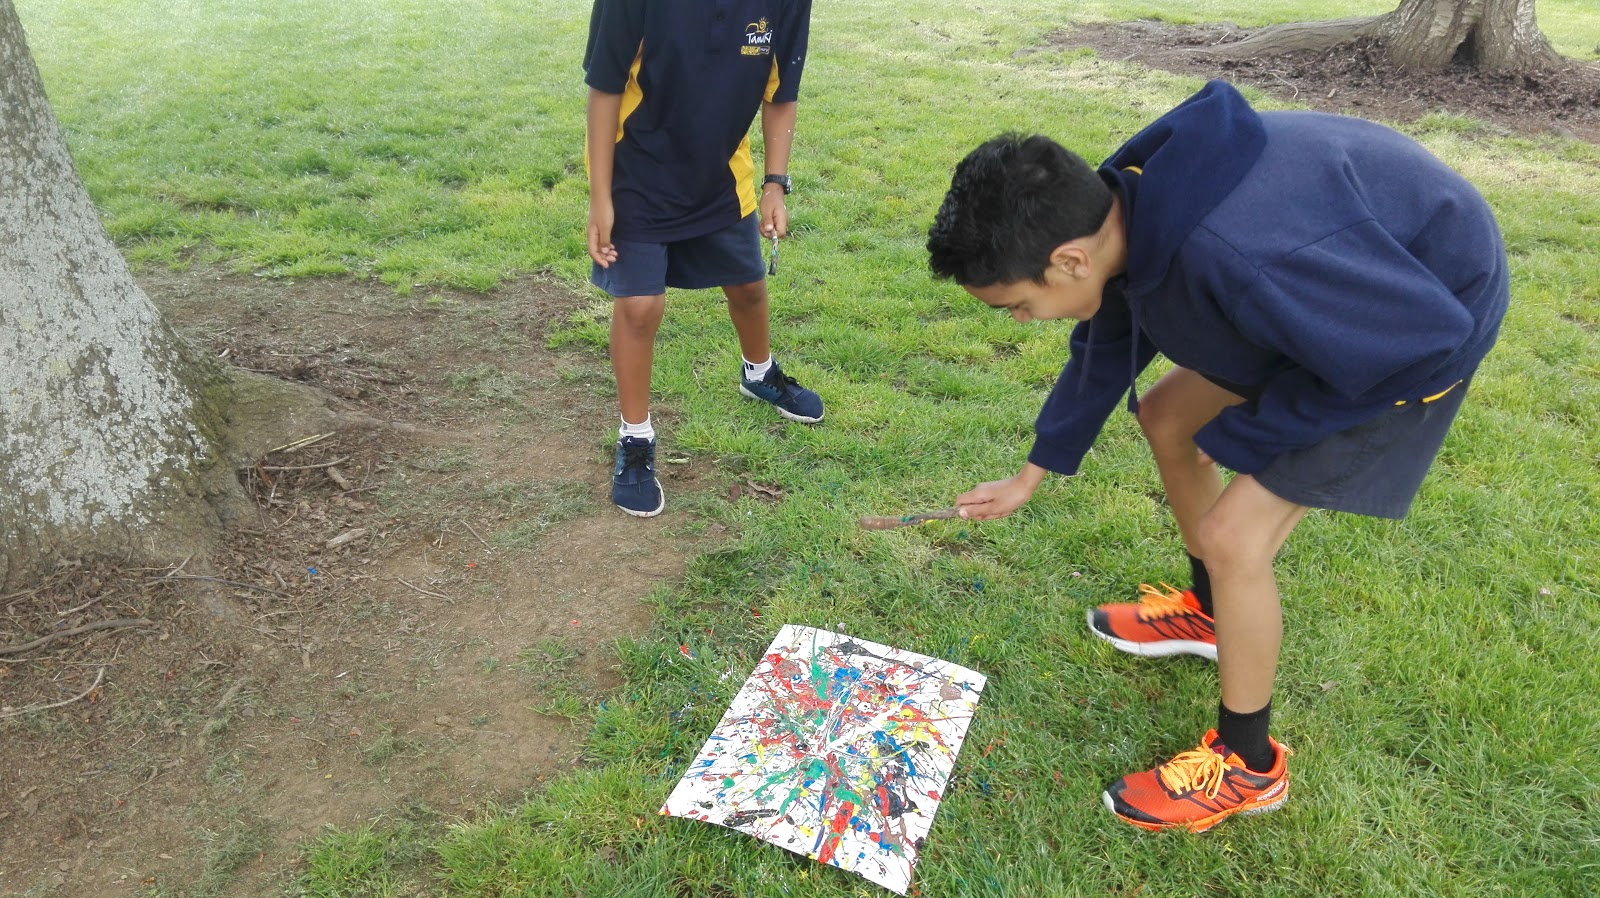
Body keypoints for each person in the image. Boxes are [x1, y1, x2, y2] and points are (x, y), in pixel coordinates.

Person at [925, 80, 1508, 832]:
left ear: (1068, 260)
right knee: (1168, 416)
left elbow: (1415, 342)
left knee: (1237, 534)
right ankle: (1208, 616)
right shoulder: (1122, 207)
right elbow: (1110, 333)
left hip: (1413, 329)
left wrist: (1251, 437)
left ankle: (1249, 764)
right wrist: (1032, 471)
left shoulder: (1241, 257)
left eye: (1015, 305)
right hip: (1335, 293)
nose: (1017, 320)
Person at [584, 0, 824, 517]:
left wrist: (775, 184)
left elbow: (782, 92)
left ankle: (759, 374)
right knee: (639, 306)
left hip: (720, 175)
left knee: (749, 285)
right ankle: (635, 437)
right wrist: (600, 196)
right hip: (637, 174)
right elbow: (604, 87)